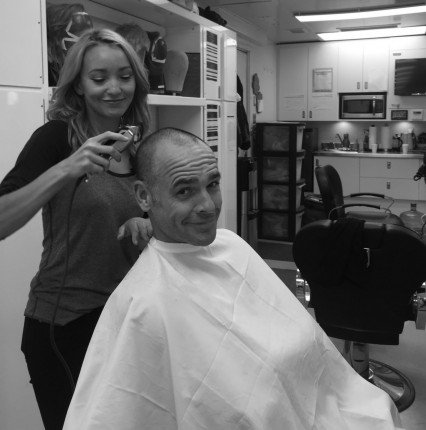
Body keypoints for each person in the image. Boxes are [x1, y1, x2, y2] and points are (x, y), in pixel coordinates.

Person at [63, 127, 403, 430]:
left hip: (322, 405)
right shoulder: (141, 303)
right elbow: (119, 409)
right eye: (184, 191)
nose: (208, 206)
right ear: (143, 196)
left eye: (212, 184)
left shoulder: (231, 246)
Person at [0, 28, 153, 430]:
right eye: (99, 78)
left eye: (124, 76)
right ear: (79, 86)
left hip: (123, 321)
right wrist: (69, 167)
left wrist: (148, 222)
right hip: (64, 326)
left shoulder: (138, 145)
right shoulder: (55, 139)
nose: (114, 88)